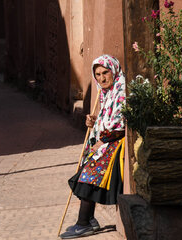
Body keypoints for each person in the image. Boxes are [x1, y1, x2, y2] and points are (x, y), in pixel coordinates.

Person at [60, 54, 126, 239]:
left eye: (105, 72)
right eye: (97, 74)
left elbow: (120, 126)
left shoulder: (121, 91)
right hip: (106, 142)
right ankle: (88, 220)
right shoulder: (106, 93)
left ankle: (83, 223)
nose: (102, 78)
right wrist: (95, 122)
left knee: (91, 173)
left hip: (115, 144)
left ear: (113, 70)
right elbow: (108, 122)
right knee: (86, 169)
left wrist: (102, 141)